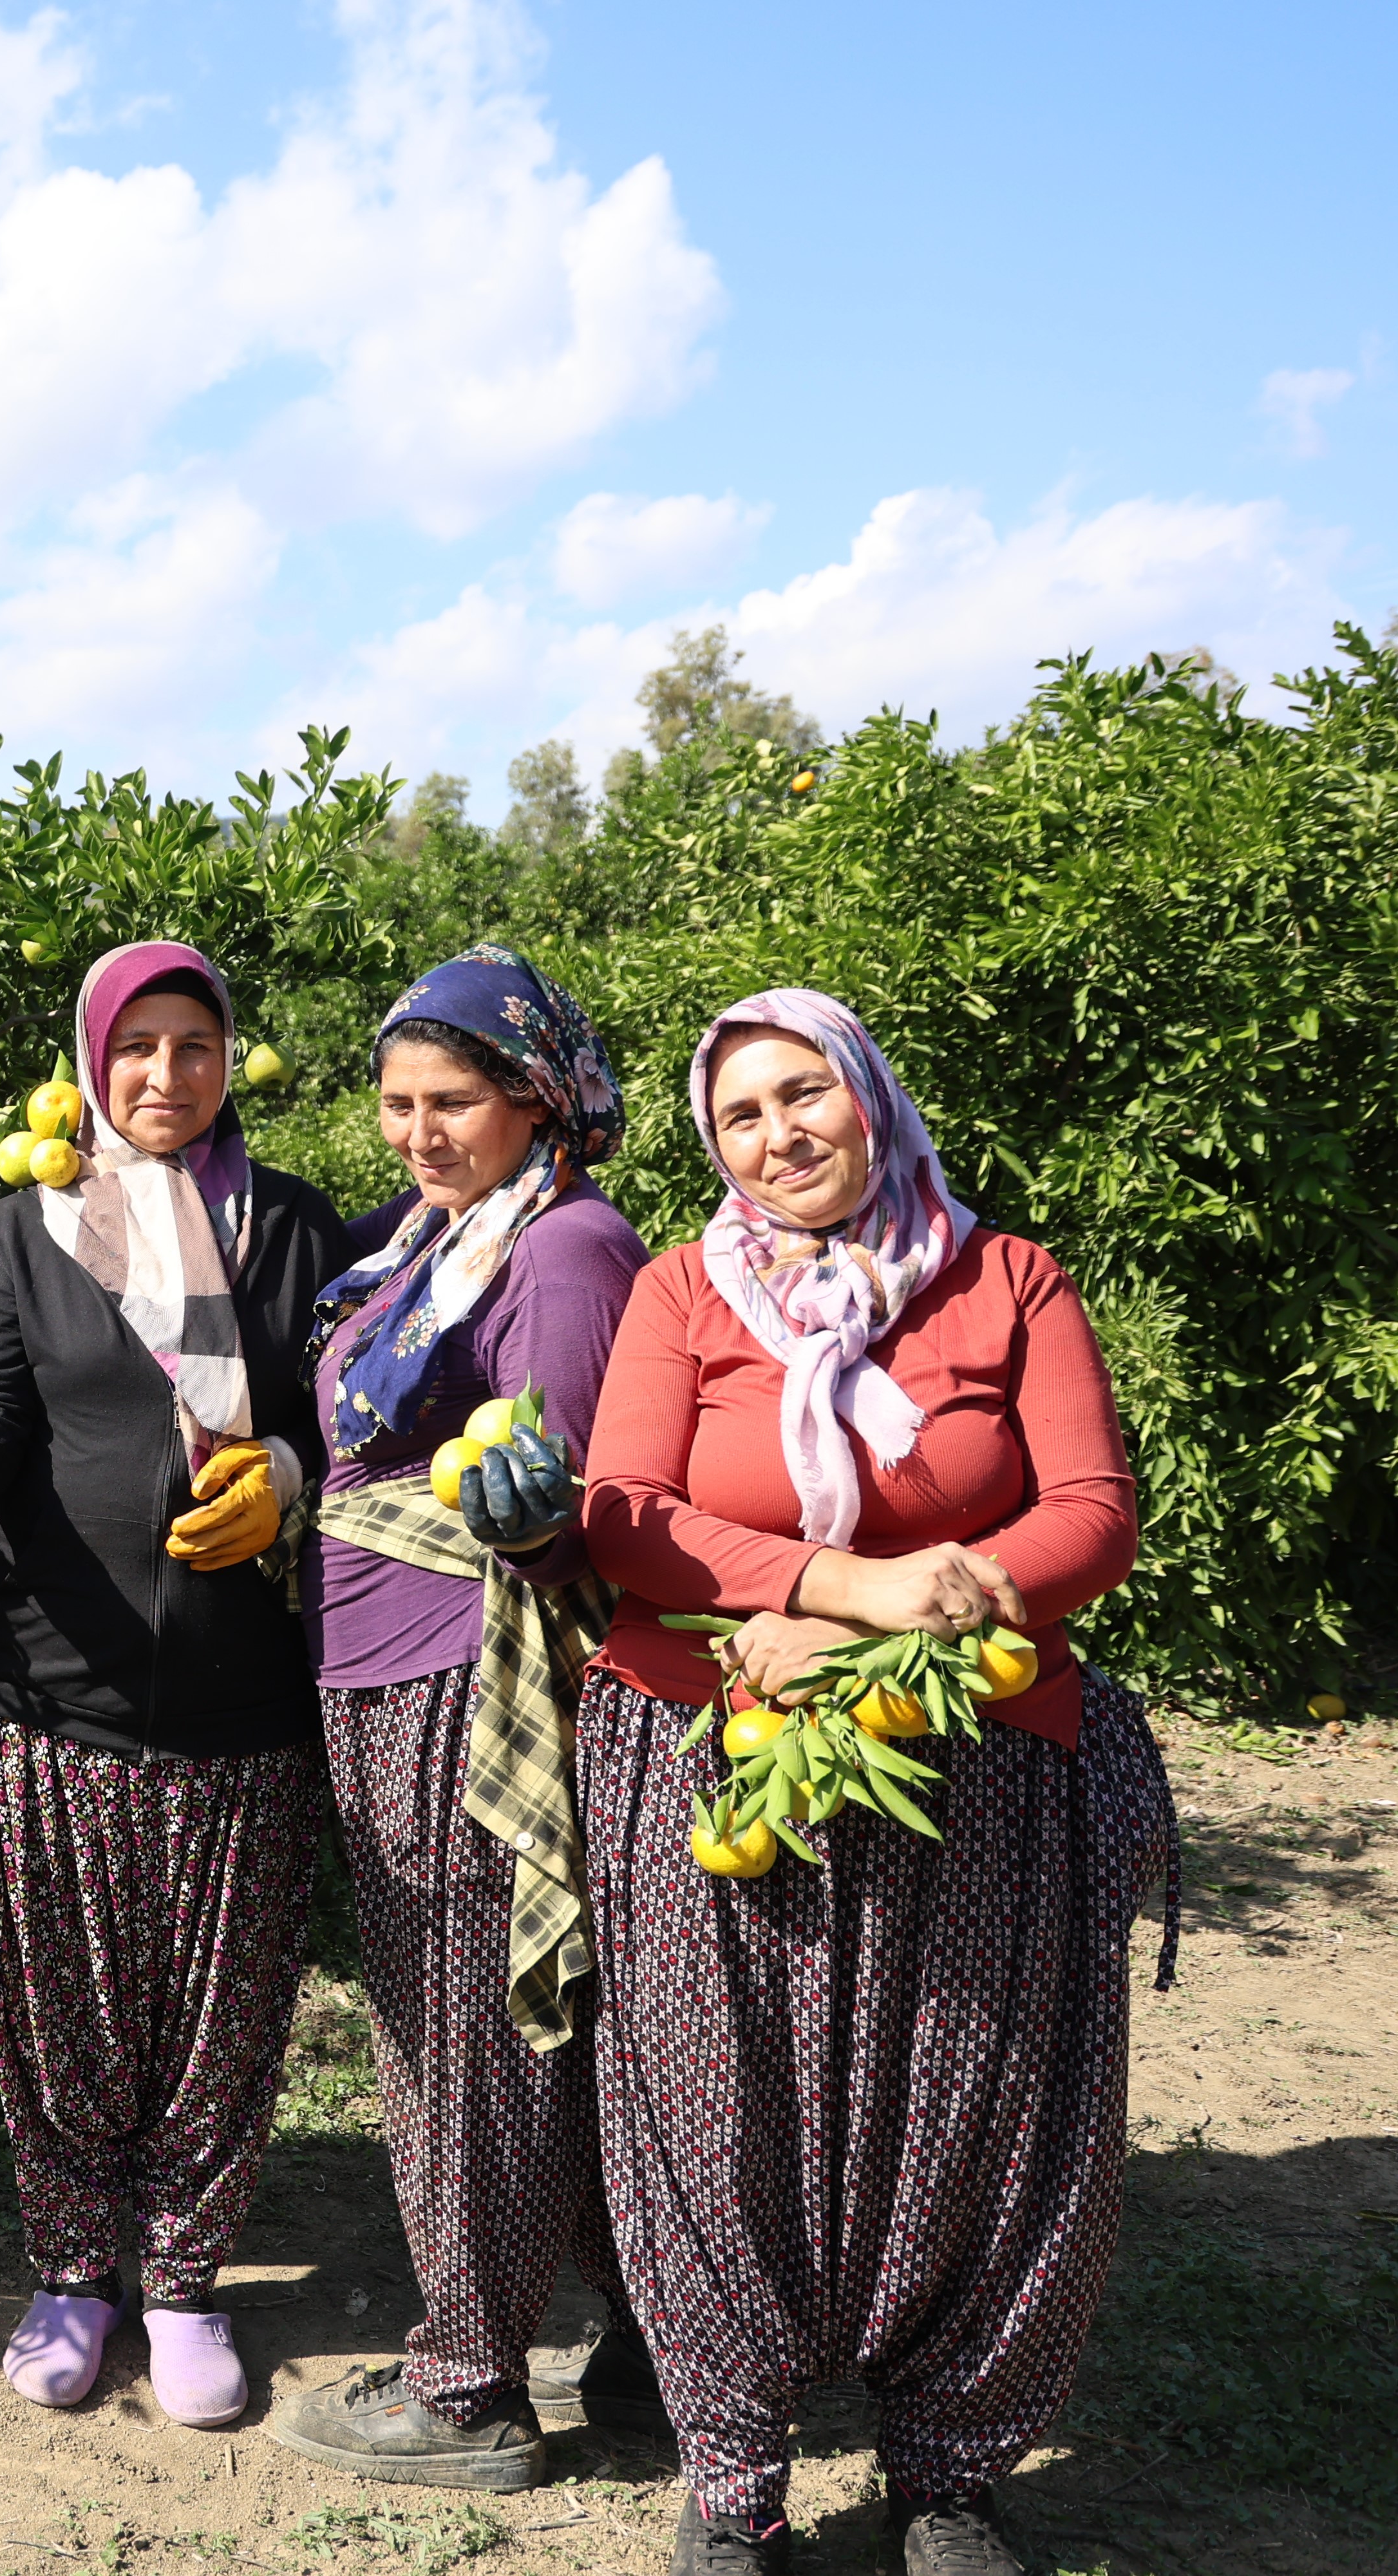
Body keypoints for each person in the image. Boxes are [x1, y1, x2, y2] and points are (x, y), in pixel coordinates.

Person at [575, 991, 1173, 2576]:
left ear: (868, 1093)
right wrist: (845, 1589)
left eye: (802, 1094)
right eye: (741, 1118)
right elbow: (627, 1514)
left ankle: (951, 2475)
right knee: (716, 2124)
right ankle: (733, 2479)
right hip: (728, 1750)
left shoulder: (1005, 1277)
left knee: (982, 2117)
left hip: (973, 1758)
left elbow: (1094, 1511)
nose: (780, 1137)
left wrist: (954, 1591)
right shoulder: (680, 1288)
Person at [0, 940, 345, 2434]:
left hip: (246, 1699)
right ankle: (74, 2271)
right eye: (138, 1046)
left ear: (232, 1060)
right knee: (60, 2009)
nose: (167, 1075)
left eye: (198, 1044)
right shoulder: (23, 1232)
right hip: (41, 1691)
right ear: (91, 1060)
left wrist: (286, 1473)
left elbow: (352, 1423)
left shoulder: (291, 1230)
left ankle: (184, 2280)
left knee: (222, 2013)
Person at [266, 945, 661, 2493]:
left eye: (456, 1100)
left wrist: (536, 1516)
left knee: (467, 2032)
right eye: (395, 1100)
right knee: (504, 2024)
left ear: (537, 1098)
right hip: (380, 1664)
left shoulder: (561, 1251)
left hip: (457, 1678)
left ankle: (468, 2381)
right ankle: (643, 2343)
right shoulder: (441, 1237)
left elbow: (568, 1512)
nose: (419, 1130)